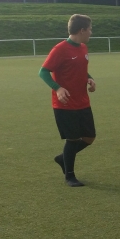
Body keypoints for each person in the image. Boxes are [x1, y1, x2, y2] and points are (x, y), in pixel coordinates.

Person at [40, 14, 96, 187]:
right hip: (65, 104)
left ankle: (63, 158)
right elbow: (43, 72)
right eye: (90, 29)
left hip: (83, 101)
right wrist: (58, 88)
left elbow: (80, 69)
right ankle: (69, 176)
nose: (91, 32)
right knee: (72, 139)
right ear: (82, 30)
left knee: (89, 137)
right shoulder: (60, 49)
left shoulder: (83, 47)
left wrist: (89, 78)